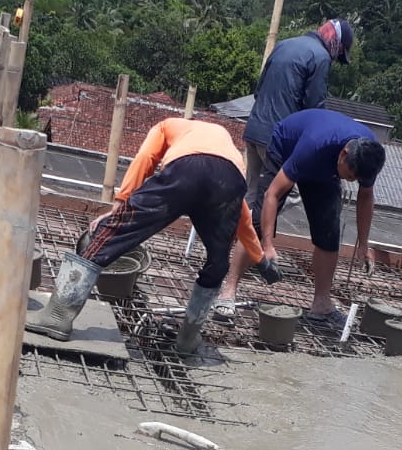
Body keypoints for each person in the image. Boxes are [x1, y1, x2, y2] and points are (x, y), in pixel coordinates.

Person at [26, 118, 263, 355]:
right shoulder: (230, 152)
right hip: (230, 183)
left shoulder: (167, 126)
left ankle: (57, 315)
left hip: (186, 171)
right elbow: (243, 217)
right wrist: (260, 258)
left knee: (113, 231)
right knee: (218, 260)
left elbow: (146, 159)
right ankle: (188, 339)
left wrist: (120, 204)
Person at [218, 109, 386, 321]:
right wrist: (268, 246)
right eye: (350, 176)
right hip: (287, 149)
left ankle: (322, 304)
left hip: (325, 168)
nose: (352, 181)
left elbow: (365, 196)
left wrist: (363, 243)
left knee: (329, 232)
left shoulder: (368, 155)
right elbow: (273, 193)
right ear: (344, 154)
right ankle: (228, 291)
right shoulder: (315, 145)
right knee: (258, 223)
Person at [243, 19, 355, 234]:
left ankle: (230, 244)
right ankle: (254, 254)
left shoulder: (285, 44)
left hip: (254, 128)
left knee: (251, 194)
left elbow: (258, 91)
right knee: (274, 198)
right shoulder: (321, 58)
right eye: (339, 54)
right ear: (337, 44)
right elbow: (315, 108)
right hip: (277, 139)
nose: (336, 58)